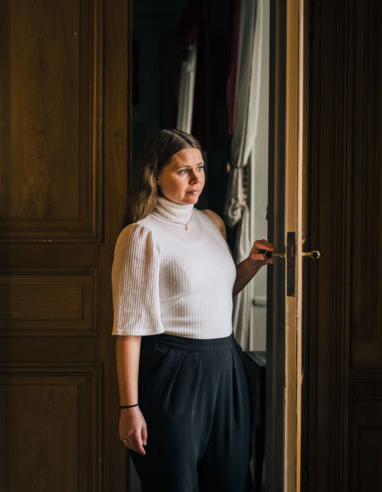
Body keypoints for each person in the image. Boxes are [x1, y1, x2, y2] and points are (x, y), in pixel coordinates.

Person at [112, 129, 275, 491]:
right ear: (155, 175)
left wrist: (249, 264)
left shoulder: (212, 221)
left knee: (232, 482)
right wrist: (129, 407)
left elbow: (215, 296)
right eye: (184, 171)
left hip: (226, 366)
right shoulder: (142, 235)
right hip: (174, 374)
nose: (197, 179)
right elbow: (129, 329)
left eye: (200, 168)